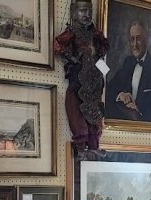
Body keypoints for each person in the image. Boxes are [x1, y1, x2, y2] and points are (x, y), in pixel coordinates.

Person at [53, 0, 109, 159]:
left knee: (95, 113)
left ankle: (94, 144)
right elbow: (58, 44)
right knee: (76, 111)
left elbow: (104, 46)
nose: (87, 15)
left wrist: (98, 52)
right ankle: (80, 146)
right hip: (78, 79)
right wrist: (71, 57)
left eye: (89, 11)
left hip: (95, 80)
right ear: (73, 12)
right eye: (83, 10)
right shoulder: (72, 32)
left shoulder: (94, 34)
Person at [105, 20, 151, 123]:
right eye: (132, 39)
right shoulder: (128, 62)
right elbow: (110, 88)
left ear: (146, 39)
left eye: (138, 38)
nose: (135, 44)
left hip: (144, 127)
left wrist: (139, 112)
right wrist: (121, 95)